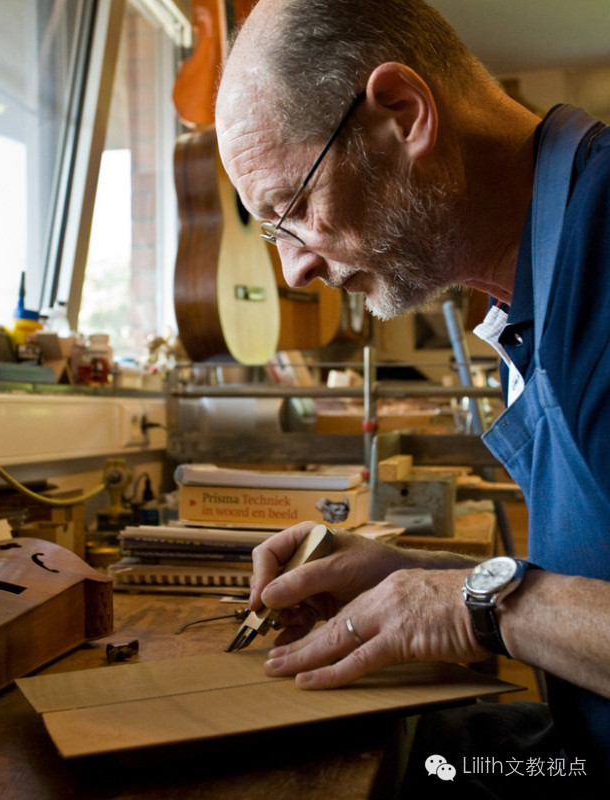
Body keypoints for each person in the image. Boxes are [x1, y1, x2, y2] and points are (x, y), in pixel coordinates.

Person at [215, 0, 610, 794]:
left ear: (402, 114)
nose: (295, 271)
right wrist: (411, 576)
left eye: (290, 213)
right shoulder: (532, 280)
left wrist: (482, 605)